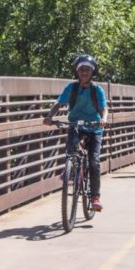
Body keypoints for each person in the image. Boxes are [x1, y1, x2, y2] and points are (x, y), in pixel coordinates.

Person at [43, 54, 108, 211]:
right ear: (77, 72)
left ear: (93, 72)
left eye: (87, 70)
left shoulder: (96, 90)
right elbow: (59, 103)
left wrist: (104, 119)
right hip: (75, 124)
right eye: (81, 70)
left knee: (94, 161)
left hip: (94, 127)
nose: (84, 73)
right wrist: (49, 116)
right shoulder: (71, 88)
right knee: (71, 151)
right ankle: (70, 167)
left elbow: (104, 108)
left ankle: (95, 197)